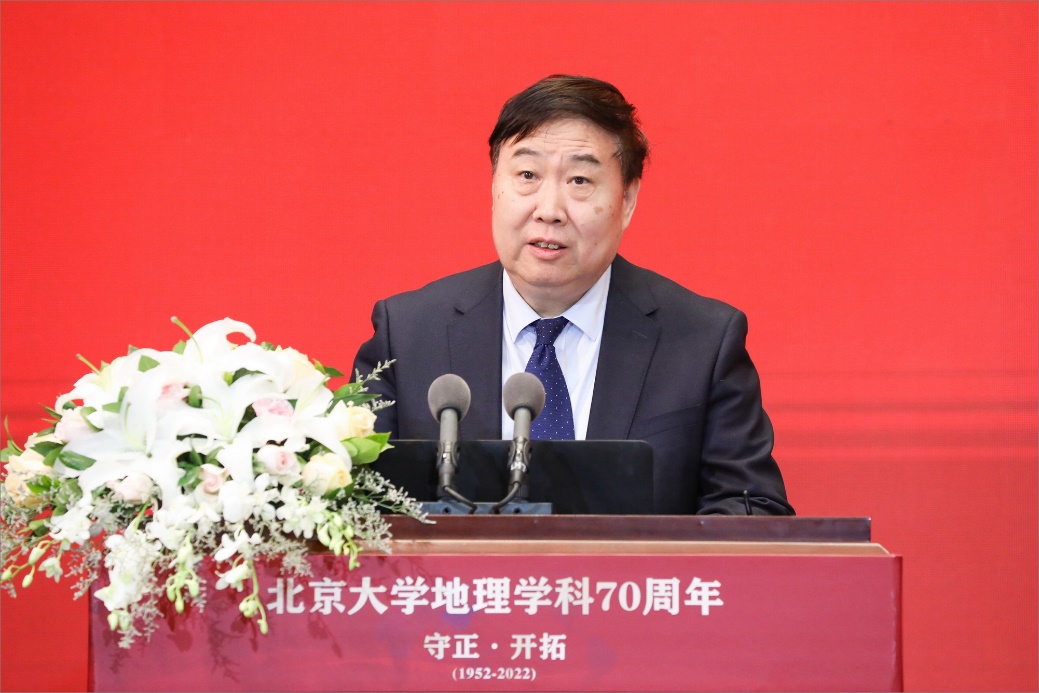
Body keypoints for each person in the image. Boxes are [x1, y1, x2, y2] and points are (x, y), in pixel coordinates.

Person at [353, 75, 793, 515]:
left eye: (580, 180)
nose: (549, 210)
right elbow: (352, 503)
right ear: (494, 186)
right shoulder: (407, 334)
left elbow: (753, 510)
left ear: (627, 200)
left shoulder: (702, 341)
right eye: (528, 175)